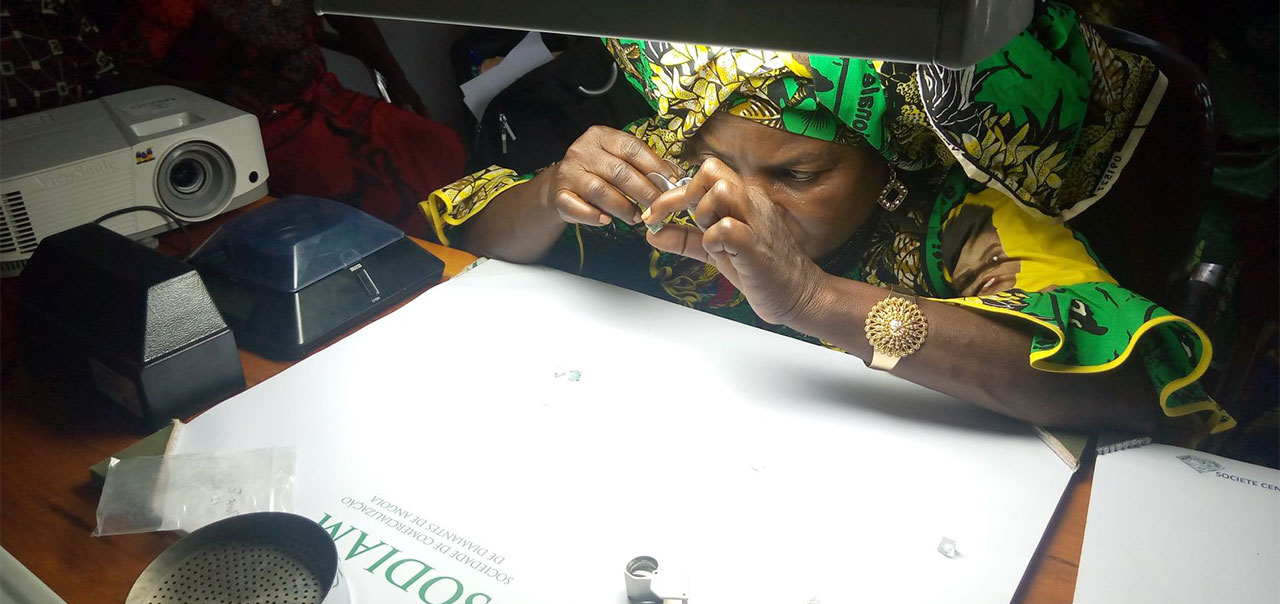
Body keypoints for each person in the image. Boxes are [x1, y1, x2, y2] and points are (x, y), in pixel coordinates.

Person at [423, 3, 1234, 438]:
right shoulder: (665, 173)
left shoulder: (962, 224)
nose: (737, 198)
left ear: (887, 159)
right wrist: (551, 192)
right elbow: (469, 240)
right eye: (720, 155)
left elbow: (1127, 389)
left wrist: (813, 299)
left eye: (797, 174)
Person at [127, 0, 464, 239]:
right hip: (256, 124)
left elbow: (350, 21)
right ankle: (404, 262)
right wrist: (214, 92)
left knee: (438, 145)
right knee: (360, 190)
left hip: (324, 99)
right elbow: (129, 75)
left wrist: (396, 78)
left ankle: (439, 244)